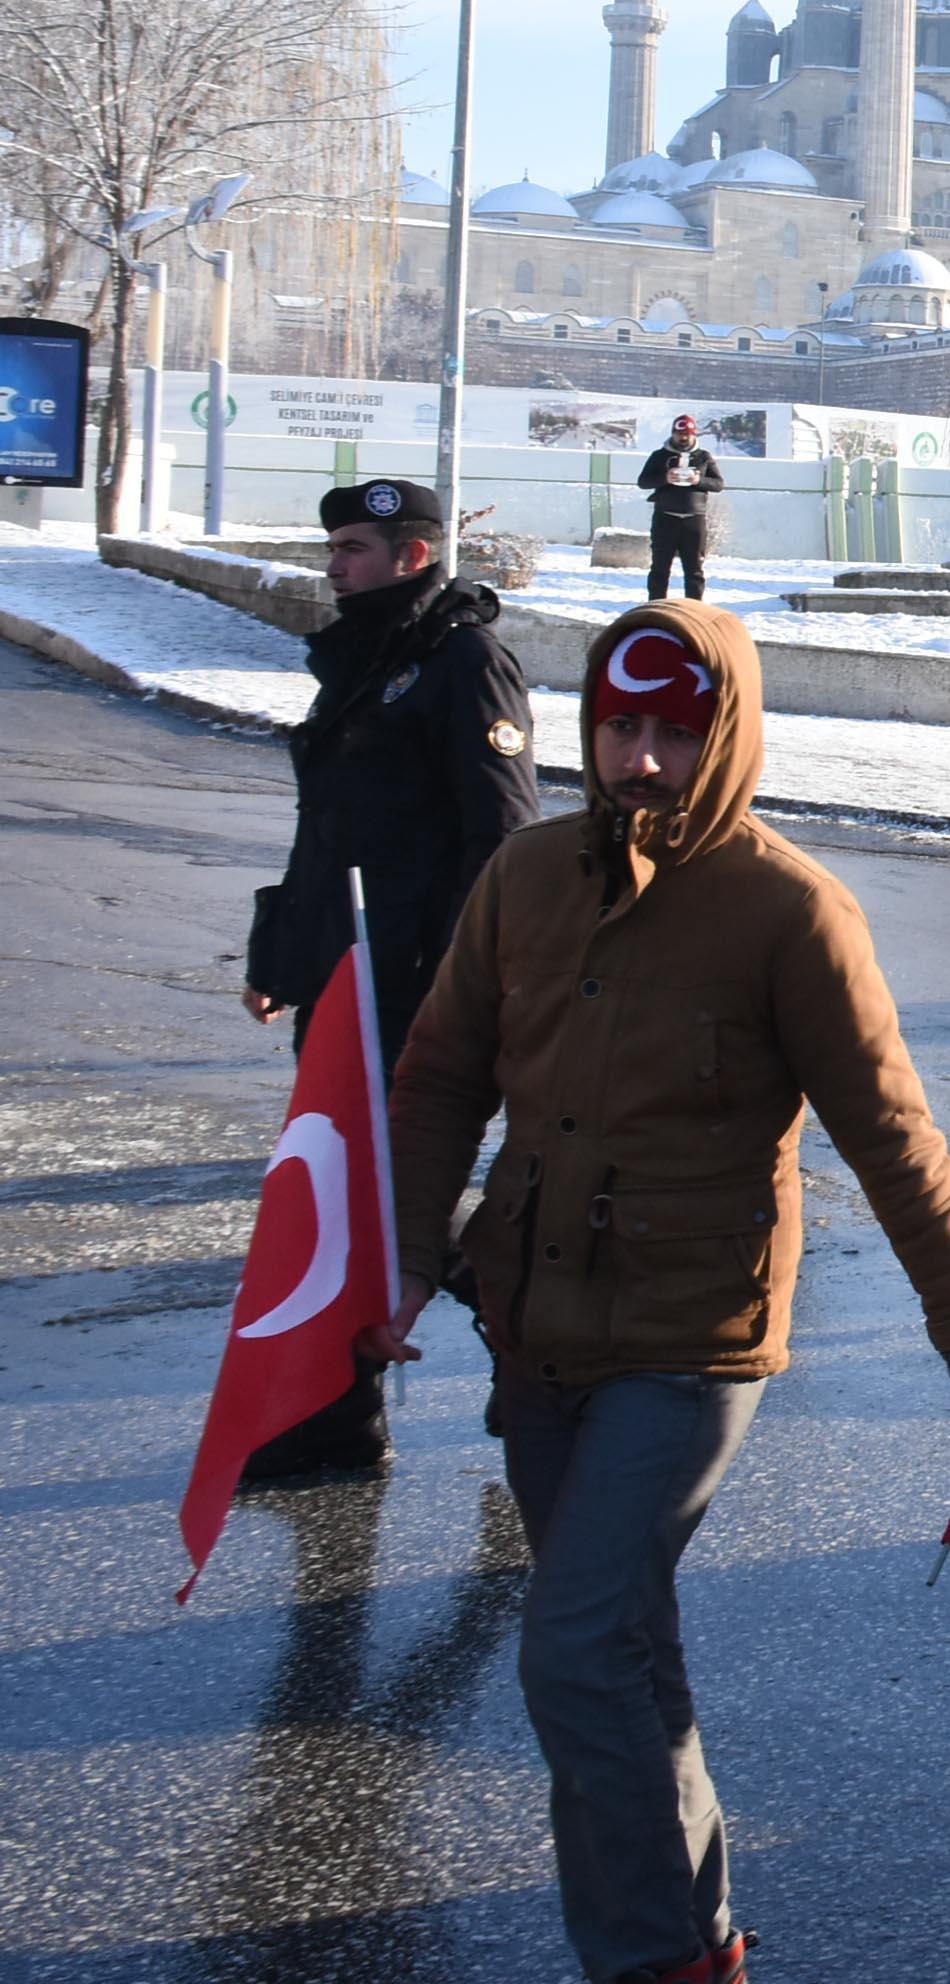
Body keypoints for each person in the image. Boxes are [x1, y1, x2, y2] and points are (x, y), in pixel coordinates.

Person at [371, 605, 950, 1984]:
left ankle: (640, 1963)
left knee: (569, 1655)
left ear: (726, 733)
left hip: (691, 1348)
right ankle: (693, 1943)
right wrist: (401, 1260)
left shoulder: (789, 909)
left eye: (677, 731)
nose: (645, 760)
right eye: (622, 726)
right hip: (538, 1331)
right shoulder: (525, 876)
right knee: (621, 1654)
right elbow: (439, 1076)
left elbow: (892, 1133)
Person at [235, 475, 541, 1480]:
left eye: (353, 549)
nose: (334, 566)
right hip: (342, 971)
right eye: (332, 549)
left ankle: (488, 1353)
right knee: (351, 1187)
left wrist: (461, 982)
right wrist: (283, 954)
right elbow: (330, 827)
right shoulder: (369, 661)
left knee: (384, 1187)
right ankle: (351, 1410)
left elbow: (499, 836)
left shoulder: (462, 662)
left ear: (413, 555)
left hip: (413, 980)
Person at [635, 414, 723, 602]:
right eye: (680, 434)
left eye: (687, 434)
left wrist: (698, 480)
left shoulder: (704, 457)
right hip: (665, 518)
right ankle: (656, 605)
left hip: (694, 519)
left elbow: (718, 484)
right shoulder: (659, 456)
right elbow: (643, 482)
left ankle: (694, 608)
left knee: (694, 570)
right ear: (673, 434)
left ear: (694, 435)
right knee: (659, 568)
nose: (683, 438)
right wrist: (664, 478)